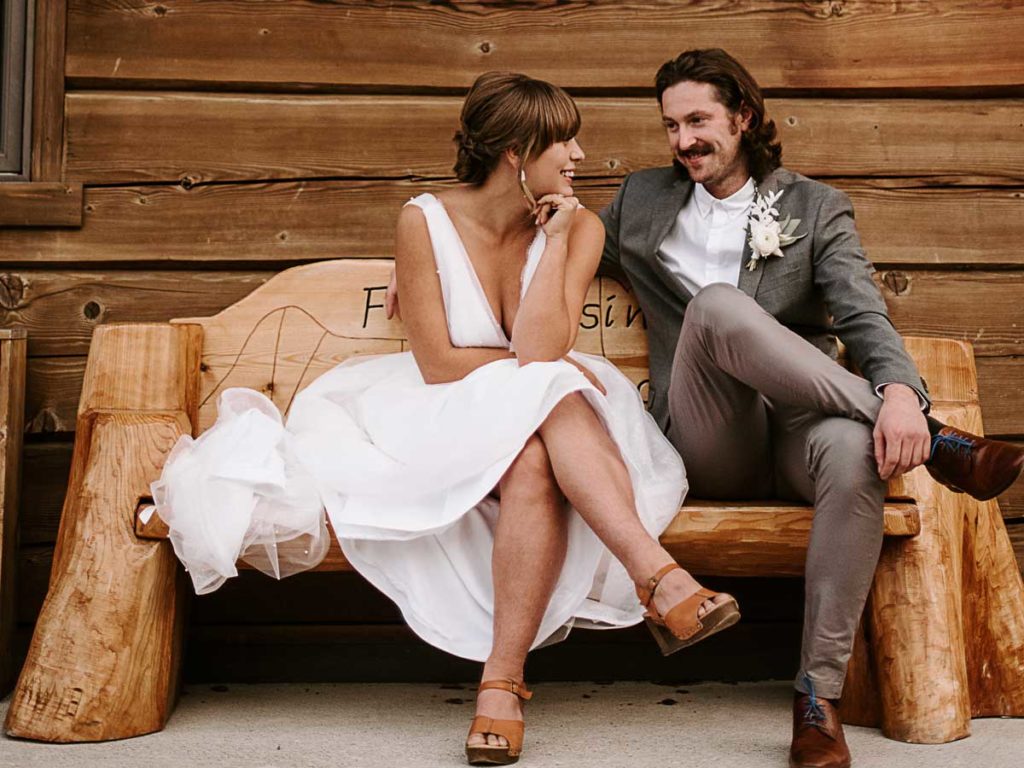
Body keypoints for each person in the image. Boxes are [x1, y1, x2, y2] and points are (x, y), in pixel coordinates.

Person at [150, 71, 741, 767]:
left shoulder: (579, 226)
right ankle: (659, 578)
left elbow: (542, 347)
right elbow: (438, 364)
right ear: (517, 152)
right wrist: (527, 364)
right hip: (439, 411)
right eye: (564, 141)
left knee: (533, 452)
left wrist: (552, 248)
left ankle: (501, 685)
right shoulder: (423, 220)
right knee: (552, 388)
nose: (579, 156)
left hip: (542, 419)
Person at [595, 49, 1024, 768]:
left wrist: (899, 393)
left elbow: (862, 315)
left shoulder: (814, 206)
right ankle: (942, 444)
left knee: (857, 451)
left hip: (803, 427)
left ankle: (817, 701)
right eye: (671, 126)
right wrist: (436, 267)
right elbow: (555, 240)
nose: (683, 141)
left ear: (743, 117)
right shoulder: (641, 199)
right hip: (713, 436)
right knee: (715, 305)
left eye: (698, 121)